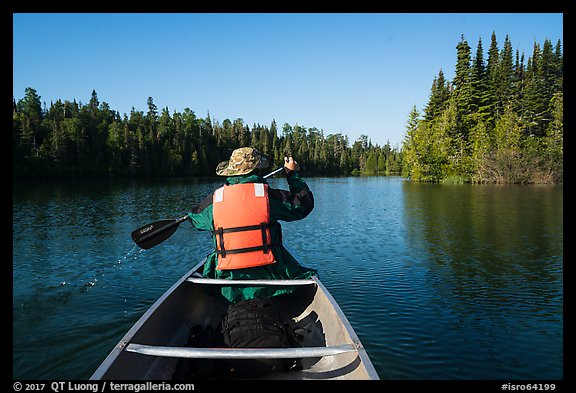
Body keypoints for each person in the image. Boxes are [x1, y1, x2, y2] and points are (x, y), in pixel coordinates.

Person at [187, 146, 317, 304]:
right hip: (273, 280)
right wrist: (292, 174)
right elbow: (304, 204)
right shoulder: (269, 196)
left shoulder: (215, 200)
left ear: (231, 172)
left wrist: (211, 202)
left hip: (226, 286)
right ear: (260, 171)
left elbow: (195, 218)